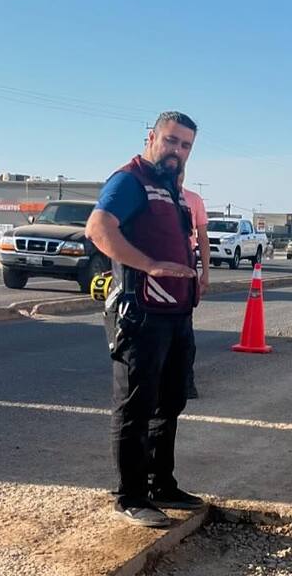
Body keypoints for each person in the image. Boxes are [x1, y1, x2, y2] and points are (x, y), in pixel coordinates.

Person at [85, 111, 204, 528]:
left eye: (185, 145)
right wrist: (148, 265)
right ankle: (130, 496)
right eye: (171, 141)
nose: (177, 151)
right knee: (135, 404)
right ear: (152, 137)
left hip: (175, 313)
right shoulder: (129, 181)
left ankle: (161, 484)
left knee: (170, 401)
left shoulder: (171, 188)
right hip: (140, 313)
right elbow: (98, 228)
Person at [178, 173, 209, 400]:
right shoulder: (148, 195)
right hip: (156, 266)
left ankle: (185, 382)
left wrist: (205, 273)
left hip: (185, 263)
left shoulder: (193, 200)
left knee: (183, 327)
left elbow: (203, 238)